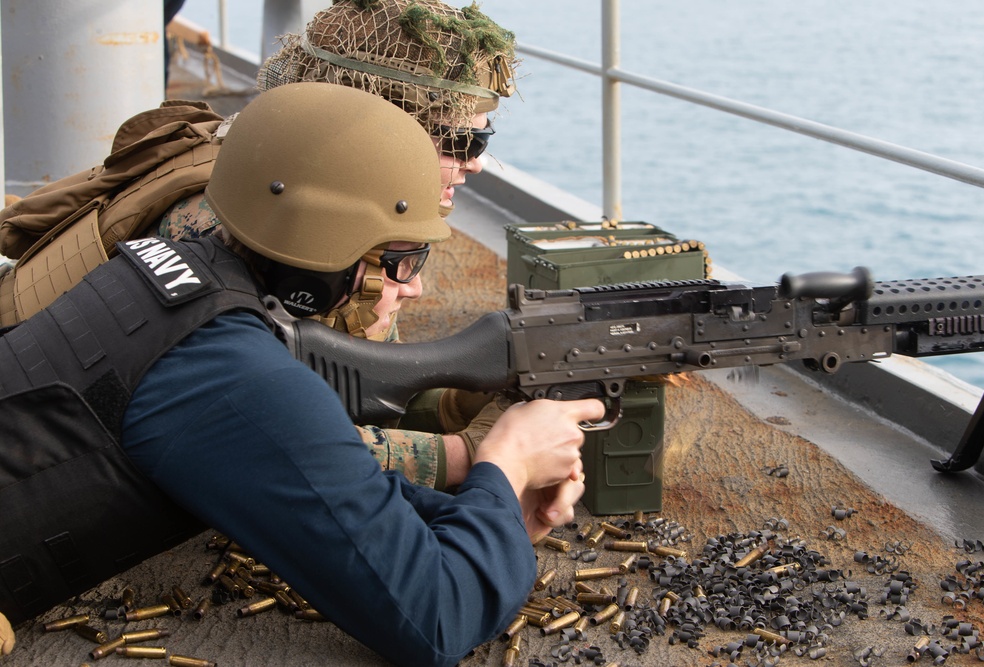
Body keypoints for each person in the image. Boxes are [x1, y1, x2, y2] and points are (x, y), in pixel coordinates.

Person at [0, 82, 601, 666]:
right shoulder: (230, 374)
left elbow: (339, 498)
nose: (413, 284)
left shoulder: (169, 271)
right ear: (323, 259)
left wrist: (493, 513)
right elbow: (438, 618)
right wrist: (507, 459)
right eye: (399, 260)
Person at [153, 0, 519, 491]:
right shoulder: (250, 235)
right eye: (460, 142)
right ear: (378, 134)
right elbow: (261, 445)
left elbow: (361, 388)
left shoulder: (339, 213)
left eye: (482, 140)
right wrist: (472, 456)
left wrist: (453, 402)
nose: (475, 163)